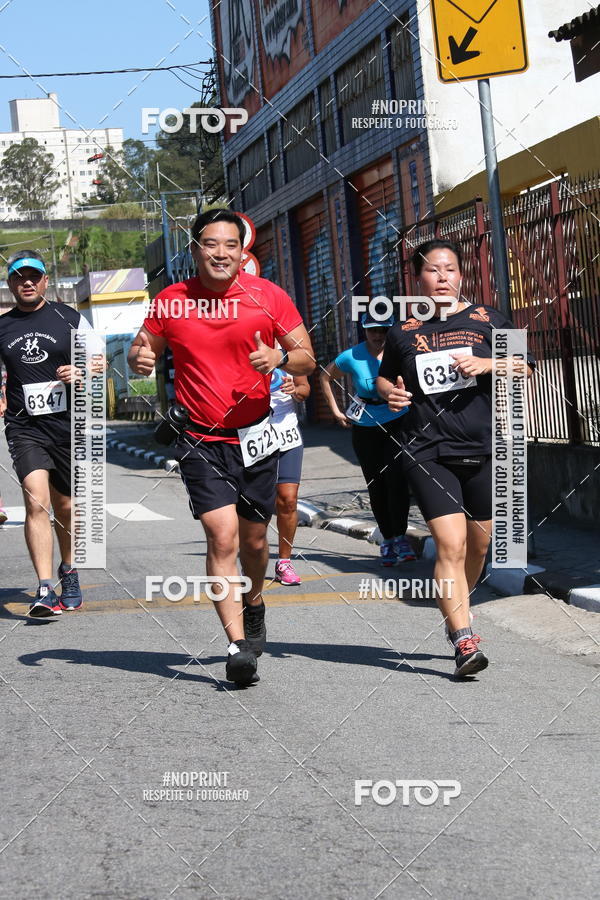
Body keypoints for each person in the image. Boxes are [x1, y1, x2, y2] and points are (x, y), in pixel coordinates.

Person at [128, 208, 315, 687]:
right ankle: (236, 647)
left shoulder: (268, 296)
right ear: (195, 250)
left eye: (230, 245)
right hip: (200, 439)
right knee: (223, 536)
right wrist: (140, 357)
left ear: (241, 251)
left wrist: (279, 356)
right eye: (211, 244)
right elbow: (142, 347)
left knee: (254, 542)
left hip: (256, 438)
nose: (221, 253)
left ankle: (254, 602)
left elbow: (307, 359)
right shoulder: (171, 301)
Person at [376, 238, 535, 678]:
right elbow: (384, 379)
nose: (442, 277)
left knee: (479, 545)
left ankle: (458, 604)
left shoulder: (489, 318)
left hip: (483, 448)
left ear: (461, 275)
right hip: (426, 449)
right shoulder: (403, 331)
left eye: (450, 269)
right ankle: (463, 638)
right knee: (450, 543)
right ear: (418, 278)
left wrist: (488, 365)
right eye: (433, 270)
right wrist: (390, 394)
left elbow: (525, 365)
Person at [0, 250, 99, 616]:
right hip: (24, 426)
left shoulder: (68, 317)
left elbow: (100, 360)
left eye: (33, 276)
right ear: (10, 283)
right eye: (19, 277)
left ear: (45, 281)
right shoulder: (3, 326)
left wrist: (82, 371)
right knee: (36, 501)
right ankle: (44, 588)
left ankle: (68, 569)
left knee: (67, 507)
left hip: (68, 425)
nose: (26, 282)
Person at [320, 313, 415, 566]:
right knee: (376, 484)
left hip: (397, 421)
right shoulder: (352, 356)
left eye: (383, 330)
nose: (378, 335)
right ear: (364, 330)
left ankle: (401, 538)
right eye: (373, 330)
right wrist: (335, 410)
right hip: (365, 426)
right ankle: (387, 540)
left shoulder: (399, 351)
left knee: (397, 480)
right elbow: (325, 376)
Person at [269, 366, 310, 584]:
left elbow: (304, 389)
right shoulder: (242, 350)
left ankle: (284, 562)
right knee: (253, 503)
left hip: (287, 432)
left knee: (288, 499)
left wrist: (295, 390)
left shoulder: (290, 354)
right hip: (250, 435)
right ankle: (251, 556)